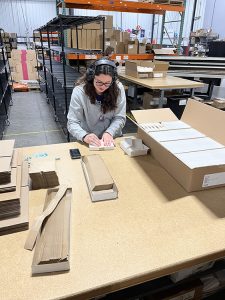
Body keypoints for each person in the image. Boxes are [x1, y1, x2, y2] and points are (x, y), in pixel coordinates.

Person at [67, 58, 126, 147]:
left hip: (111, 139)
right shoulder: (79, 92)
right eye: (99, 82)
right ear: (91, 77)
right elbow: (72, 122)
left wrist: (110, 132)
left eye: (107, 83)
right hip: (89, 141)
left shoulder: (118, 88)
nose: (103, 86)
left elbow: (119, 117)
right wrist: (84, 136)